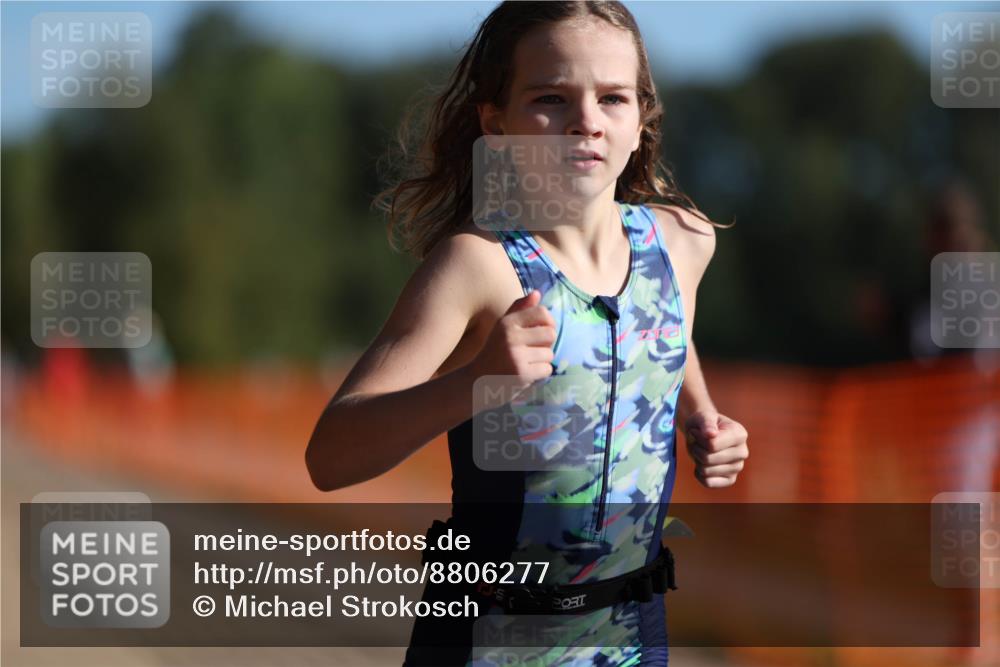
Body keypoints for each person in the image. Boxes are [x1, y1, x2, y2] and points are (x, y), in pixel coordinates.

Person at [305, 2, 750, 664]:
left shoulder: (683, 242)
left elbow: (665, 330)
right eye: (550, 97)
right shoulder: (475, 266)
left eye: (613, 98)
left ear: (641, 119)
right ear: (497, 122)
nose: (586, 122)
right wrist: (478, 382)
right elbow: (330, 456)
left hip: (633, 635)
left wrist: (704, 416)